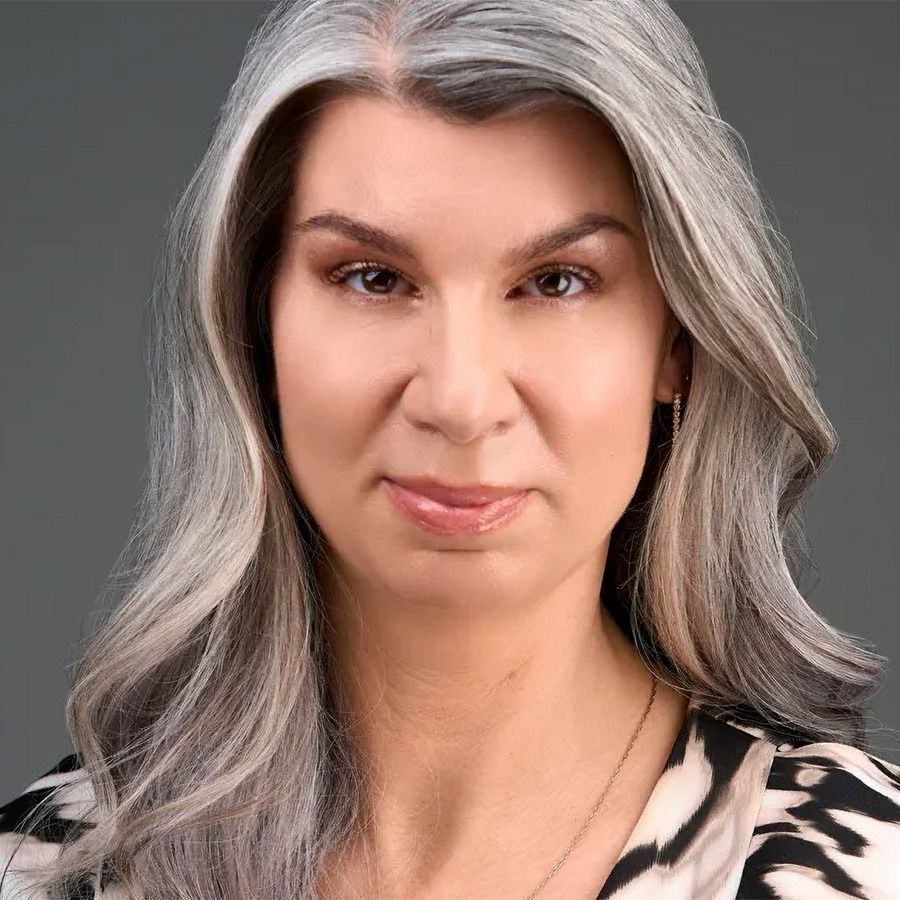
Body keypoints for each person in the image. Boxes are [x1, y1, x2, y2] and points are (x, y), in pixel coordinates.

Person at [2, 1, 899, 898]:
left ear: (680, 341)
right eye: (373, 278)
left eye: (556, 282)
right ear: (253, 325)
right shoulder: (44, 874)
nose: (462, 402)